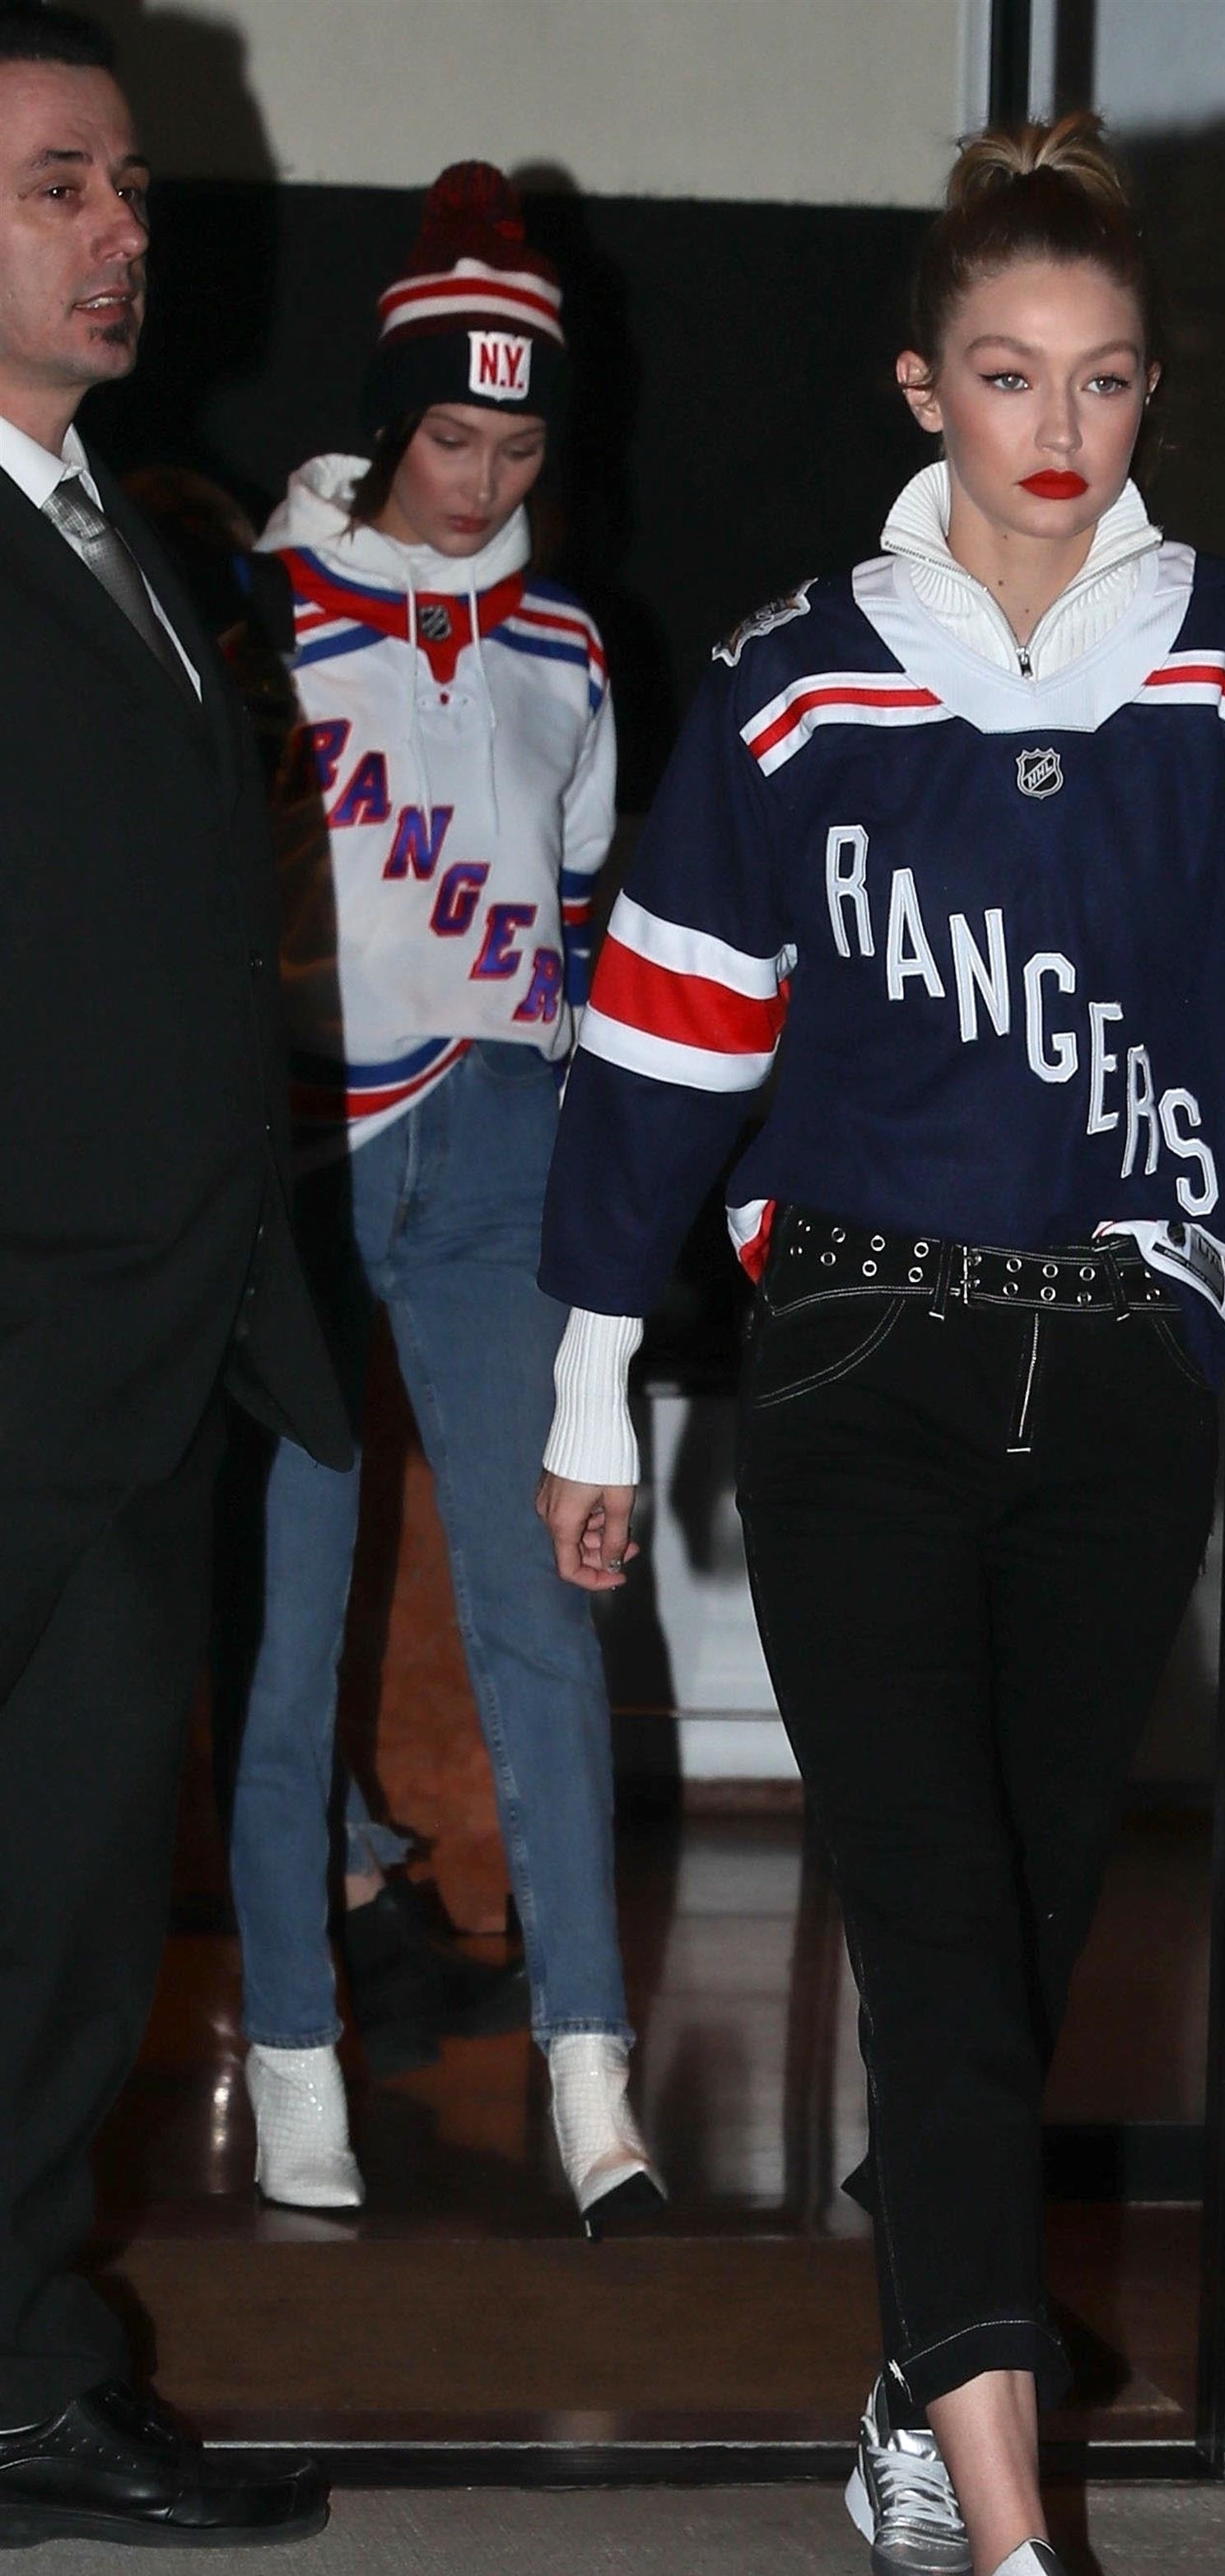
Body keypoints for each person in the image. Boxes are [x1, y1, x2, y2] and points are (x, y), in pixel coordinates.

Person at [538, 116, 1225, 2576]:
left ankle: (902, 2391)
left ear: (1150, 391)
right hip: (860, 1370)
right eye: (1002, 377)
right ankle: (1021, 2569)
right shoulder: (799, 682)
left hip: (1132, 1388)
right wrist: (584, 1385)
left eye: (1101, 381)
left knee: (1023, 1930)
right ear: (917, 386)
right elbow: (661, 1046)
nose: (1054, 432)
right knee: (942, 1948)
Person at [0, 5, 351, 2576]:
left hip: (138, 1364)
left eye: (125, 186)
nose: (122, 232)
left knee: (67, 1908)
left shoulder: (114, 525)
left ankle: (22, 2378)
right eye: (56, 188)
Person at [225, 163, 663, 2233]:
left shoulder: (569, 641)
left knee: (541, 1615)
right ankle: (291, 2050)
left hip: (501, 1149)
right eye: (452, 436)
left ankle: (592, 2062)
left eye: (520, 447)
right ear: (390, 418)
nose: (483, 480)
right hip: (313, 1155)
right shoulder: (260, 610)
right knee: (287, 1629)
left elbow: (576, 915)